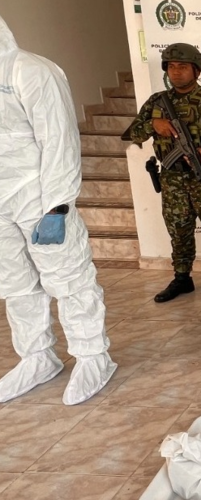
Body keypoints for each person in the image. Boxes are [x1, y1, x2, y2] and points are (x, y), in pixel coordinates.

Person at [0, 15, 117, 404]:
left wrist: (58, 206)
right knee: (15, 285)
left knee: (69, 279)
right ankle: (37, 357)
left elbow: (60, 139)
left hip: (38, 196)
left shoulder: (32, 71)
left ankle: (93, 357)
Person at [127, 44, 201, 306]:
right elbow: (133, 133)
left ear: (197, 70)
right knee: (178, 229)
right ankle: (182, 277)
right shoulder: (156, 102)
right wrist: (153, 124)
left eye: (182, 66)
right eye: (171, 66)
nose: (176, 72)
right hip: (172, 180)